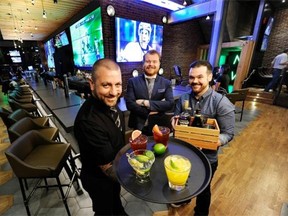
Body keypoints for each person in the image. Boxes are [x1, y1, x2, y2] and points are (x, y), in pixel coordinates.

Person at [171, 60, 235, 215]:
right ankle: (184, 198)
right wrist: (174, 122)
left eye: (200, 77)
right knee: (183, 180)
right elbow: (177, 117)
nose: (195, 81)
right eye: (192, 77)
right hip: (184, 154)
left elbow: (228, 133)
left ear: (209, 77)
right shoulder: (183, 98)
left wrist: (215, 140)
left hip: (207, 158)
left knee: (203, 190)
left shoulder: (221, 102)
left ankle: (200, 212)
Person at [74, 59, 127, 215]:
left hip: (114, 172)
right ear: (92, 84)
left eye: (118, 84)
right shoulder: (89, 122)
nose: (114, 92)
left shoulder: (110, 102)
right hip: (99, 180)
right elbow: (109, 169)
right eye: (106, 85)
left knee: (116, 205)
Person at [125, 50, 174, 135]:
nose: (151, 64)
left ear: (159, 64)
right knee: (139, 147)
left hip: (158, 125)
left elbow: (170, 103)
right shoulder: (132, 82)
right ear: (143, 64)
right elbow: (130, 104)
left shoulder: (166, 83)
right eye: (148, 61)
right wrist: (149, 112)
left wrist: (146, 103)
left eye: (154, 61)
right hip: (138, 125)